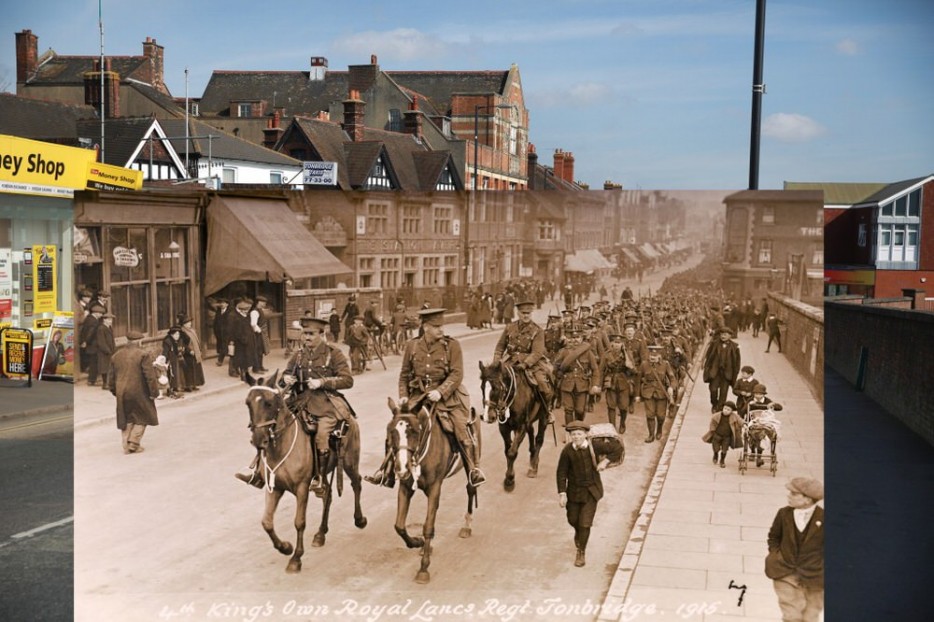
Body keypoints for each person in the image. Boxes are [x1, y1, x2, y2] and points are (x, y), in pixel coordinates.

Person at [365, 308, 485, 487]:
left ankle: (472, 469)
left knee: (461, 425)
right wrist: (404, 396)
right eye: (436, 327)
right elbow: (404, 375)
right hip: (417, 397)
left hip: (448, 397)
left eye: (442, 326)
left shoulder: (451, 346)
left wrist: (440, 392)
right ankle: (386, 471)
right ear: (425, 327)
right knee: (397, 426)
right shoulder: (412, 346)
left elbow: (457, 374)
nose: (441, 330)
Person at [238, 317, 356, 492]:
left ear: (321, 334)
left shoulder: (333, 354)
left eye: (311, 334)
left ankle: (320, 478)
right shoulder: (299, 354)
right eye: (305, 333)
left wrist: (322, 382)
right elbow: (287, 372)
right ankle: (259, 472)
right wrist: (286, 378)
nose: (306, 337)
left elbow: (347, 380)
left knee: (322, 435)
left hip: (324, 404)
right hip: (298, 400)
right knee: (270, 426)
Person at [765, 477, 824, 622]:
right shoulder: (783, 514)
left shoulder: (824, 518)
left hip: (815, 576)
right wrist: (776, 555)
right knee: (792, 616)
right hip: (785, 572)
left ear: (807, 500)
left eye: (793, 493)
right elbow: (774, 537)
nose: (788, 496)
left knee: (811, 617)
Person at [556, 420, 608, 568]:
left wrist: (605, 462)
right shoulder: (567, 451)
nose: (576, 437)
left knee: (585, 523)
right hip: (573, 492)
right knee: (573, 520)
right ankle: (579, 534)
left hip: (591, 492)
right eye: (573, 434)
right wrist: (562, 493)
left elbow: (617, 448)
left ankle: (581, 552)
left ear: (586, 434)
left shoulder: (594, 446)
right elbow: (561, 472)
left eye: (579, 434)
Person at [491, 300, 554, 421]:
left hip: (531, 364)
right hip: (510, 361)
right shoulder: (510, 327)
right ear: (518, 313)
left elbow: (537, 352)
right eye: (523, 313)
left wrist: (525, 364)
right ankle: (496, 409)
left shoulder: (537, 330)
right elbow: (500, 347)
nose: (526, 315)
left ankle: (546, 412)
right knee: (495, 382)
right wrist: (496, 363)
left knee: (543, 385)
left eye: (528, 313)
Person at [108, 330, 161, 454]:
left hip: (122, 392)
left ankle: (126, 444)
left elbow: (111, 377)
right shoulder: (143, 355)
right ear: (139, 341)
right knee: (143, 416)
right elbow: (150, 376)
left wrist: (115, 391)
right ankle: (134, 442)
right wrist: (154, 392)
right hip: (139, 392)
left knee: (126, 418)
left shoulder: (116, 355)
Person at [553, 327, 602, 432]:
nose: (575, 340)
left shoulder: (588, 352)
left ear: (581, 338)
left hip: (582, 384)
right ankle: (570, 431)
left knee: (580, 410)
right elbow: (555, 367)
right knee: (568, 409)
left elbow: (595, 370)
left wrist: (594, 384)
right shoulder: (564, 352)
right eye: (573, 337)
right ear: (569, 339)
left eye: (578, 337)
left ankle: (579, 428)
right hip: (567, 384)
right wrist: (559, 375)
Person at [635, 344, 675, 443]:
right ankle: (651, 435)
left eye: (655, 356)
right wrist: (637, 395)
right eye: (651, 356)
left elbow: (673, 378)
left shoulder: (665, 364)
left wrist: (671, 387)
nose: (652, 358)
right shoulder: (644, 365)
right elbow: (638, 380)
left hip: (661, 393)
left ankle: (659, 430)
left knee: (661, 416)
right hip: (648, 393)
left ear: (659, 356)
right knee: (650, 415)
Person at [702, 326, 741, 413]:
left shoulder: (735, 347)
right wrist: (706, 368)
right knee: (713, 390)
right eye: (721, 334)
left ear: (730, 336)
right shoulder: (714, 344)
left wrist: (736, 372)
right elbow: (708, 357)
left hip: (727, 373)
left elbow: (737, 362)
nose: (723, 336)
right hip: (715, 372)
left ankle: (719, 408)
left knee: (723, 393)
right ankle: (714, 404)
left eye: (725, 334)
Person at [601, 332, 633, 433]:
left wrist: (628, 360)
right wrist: (598, 385)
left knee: (623, 407)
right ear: (612, 343)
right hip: (611, 382)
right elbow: (601, 369)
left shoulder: (627, 354)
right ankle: (612, 427)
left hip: (623, 382)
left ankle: (622, 423)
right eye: (615, 342)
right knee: (611, 406)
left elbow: (634, 370)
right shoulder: (606, 354)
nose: (617, 345)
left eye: (619, 343)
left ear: (622, 344)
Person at [702, 400, 744, 468]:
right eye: (725, 408)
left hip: (727, 437)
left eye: (728, 410)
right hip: (717, 435)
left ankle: (722, 460)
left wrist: (744, 424)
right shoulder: (716, 416)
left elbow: (740, 420)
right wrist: (712, 431)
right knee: (715, 447)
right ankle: (715, 454)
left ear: (731, 411)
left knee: (725, 449)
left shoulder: (734, 416)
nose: (726, 411)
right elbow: (712, 424)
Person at [226, 298, 255, 378]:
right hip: (234, 339)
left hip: (243, 339)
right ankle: (232, 371)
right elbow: (230, 329)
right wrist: (231, 340)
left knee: (240, 356)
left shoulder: (245, 315)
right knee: (234, 355)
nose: (247, 310)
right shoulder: (232, 315)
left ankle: (238, 370)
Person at [178, 313, 205, 391]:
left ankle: (194, 384)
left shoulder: (192, 331)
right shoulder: (182, 332)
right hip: (188, 354)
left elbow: (196, 341)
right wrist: (189, 351)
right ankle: (188, 386)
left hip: (195, 353)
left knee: (195, 369)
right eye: (187, 323)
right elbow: (182, 344)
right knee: (189, 370)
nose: (189, 324)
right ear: (183, 324)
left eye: (189, 322)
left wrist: (199, 350)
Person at [80, 303, 105, 385]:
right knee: (94, 363)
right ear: (96, 313)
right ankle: (91, 380)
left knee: (92, 362)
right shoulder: (94, 321)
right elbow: (90, 333)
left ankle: (91, 380)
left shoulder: (88, 319)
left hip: (90, 345)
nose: (101, 315)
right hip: (93, 345)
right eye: (100, 314)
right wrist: (87, 342)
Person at [95, 313, 117, 390]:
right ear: (104, 320)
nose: (110, 321)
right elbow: (101, 342)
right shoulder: (101, 328)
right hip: (104, 352)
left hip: (110, 351)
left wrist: (113, 349)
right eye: (109, 320)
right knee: (104, 368)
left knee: (109, 367)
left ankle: (108, 383)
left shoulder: (109, 328)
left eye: (111, 320)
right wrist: (107, 350)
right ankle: (105, 383)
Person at [212, 299, 230, 366]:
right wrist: (215, 331)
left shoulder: (229, 312)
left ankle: (220, 360)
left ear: (227, 304)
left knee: (224, 345)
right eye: (221, 303)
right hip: (219, 332)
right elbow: (215, 322)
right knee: (223, 345)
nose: (222, 304)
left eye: (224, 303)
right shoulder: (218, 311)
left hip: (227, 332)